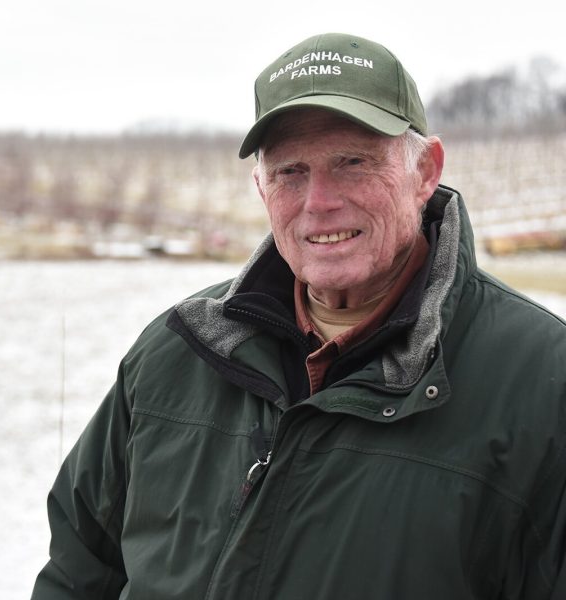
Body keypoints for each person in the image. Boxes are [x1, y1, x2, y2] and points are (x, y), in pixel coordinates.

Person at [31, 33, 566, 599]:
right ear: (261, 188)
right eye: (291, 172)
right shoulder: (173, 356)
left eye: (352, 163)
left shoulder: (540, 380)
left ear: (425, 171)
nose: (319, 202)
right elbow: (77, 569)